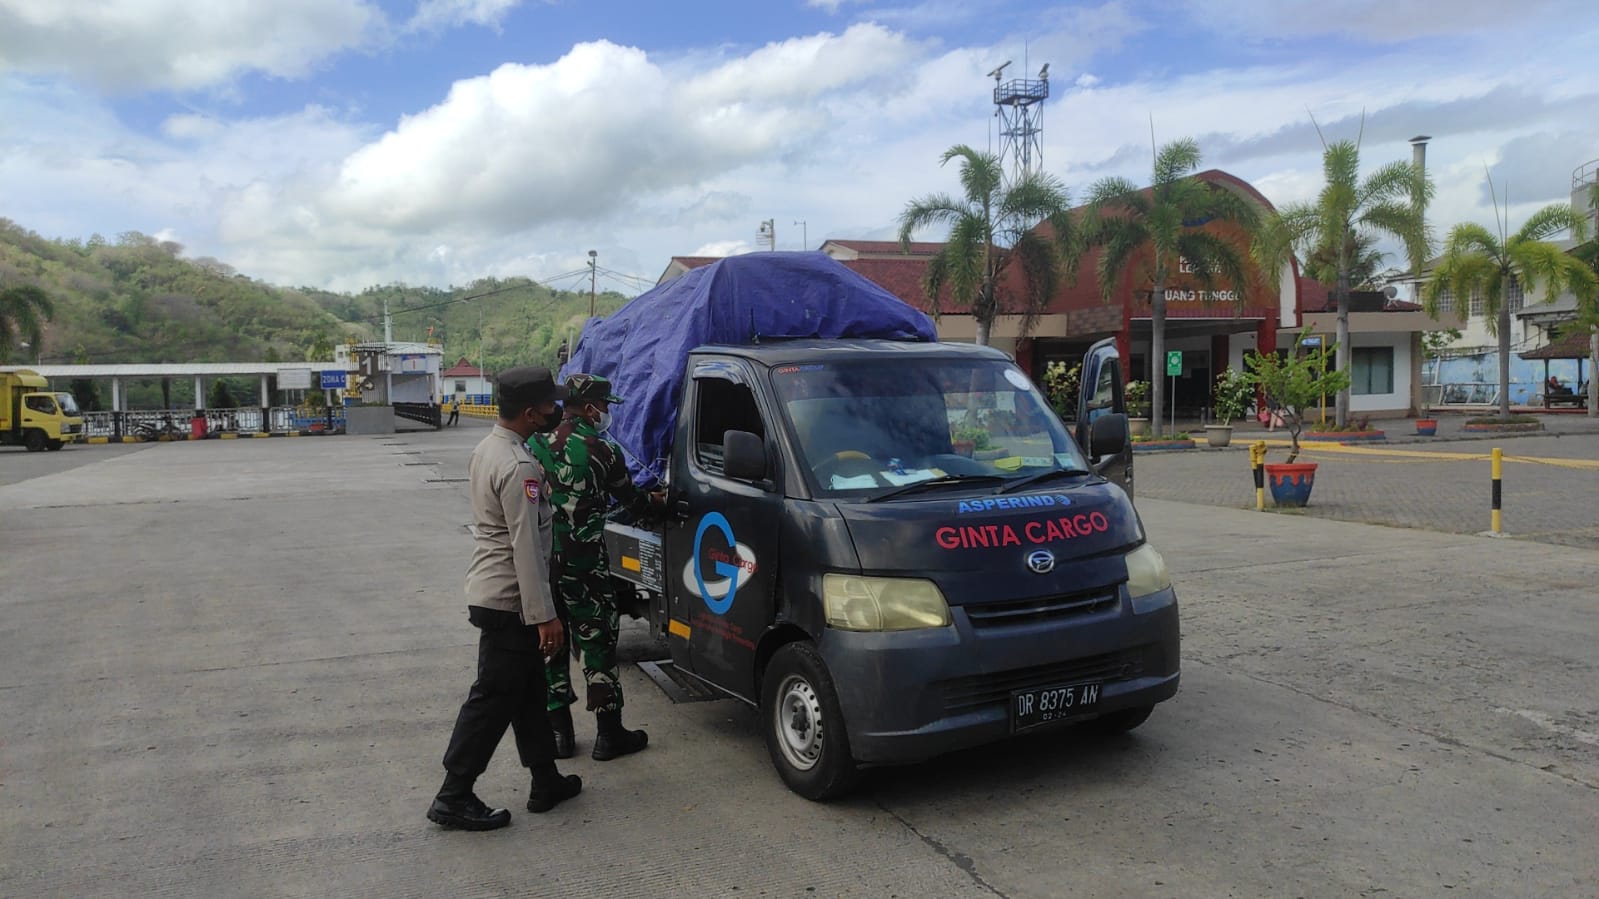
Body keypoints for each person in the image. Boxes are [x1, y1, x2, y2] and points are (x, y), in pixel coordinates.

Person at [427, 366, 582, 831]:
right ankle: (453, 794)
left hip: (495, 591)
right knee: (493, 696)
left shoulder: (488, 448)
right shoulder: (520, 466)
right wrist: (544, 616)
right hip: (510, 599)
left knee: (529, 690)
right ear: (533, 412)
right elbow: (525, 547)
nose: (556, 411)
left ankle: (545, 778)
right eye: (551, 405)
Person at [529, 374, 661, 762]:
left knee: (550, 645)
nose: (606, 413)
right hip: (587, 567)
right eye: (605, 406)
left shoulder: (534, 444)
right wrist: (662, 501)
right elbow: (634, 502)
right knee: (597, 643)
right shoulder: (602, 449)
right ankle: (609, 734)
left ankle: (560, 736)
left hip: (545, 565)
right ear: (589, 408)